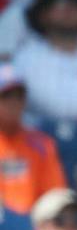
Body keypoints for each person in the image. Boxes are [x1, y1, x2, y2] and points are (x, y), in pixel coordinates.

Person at [0, 61, 61, 214]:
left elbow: (55, 197)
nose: (13, 103)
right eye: (6, 96)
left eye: (19, 96)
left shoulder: (42, 144)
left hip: (34, 228)